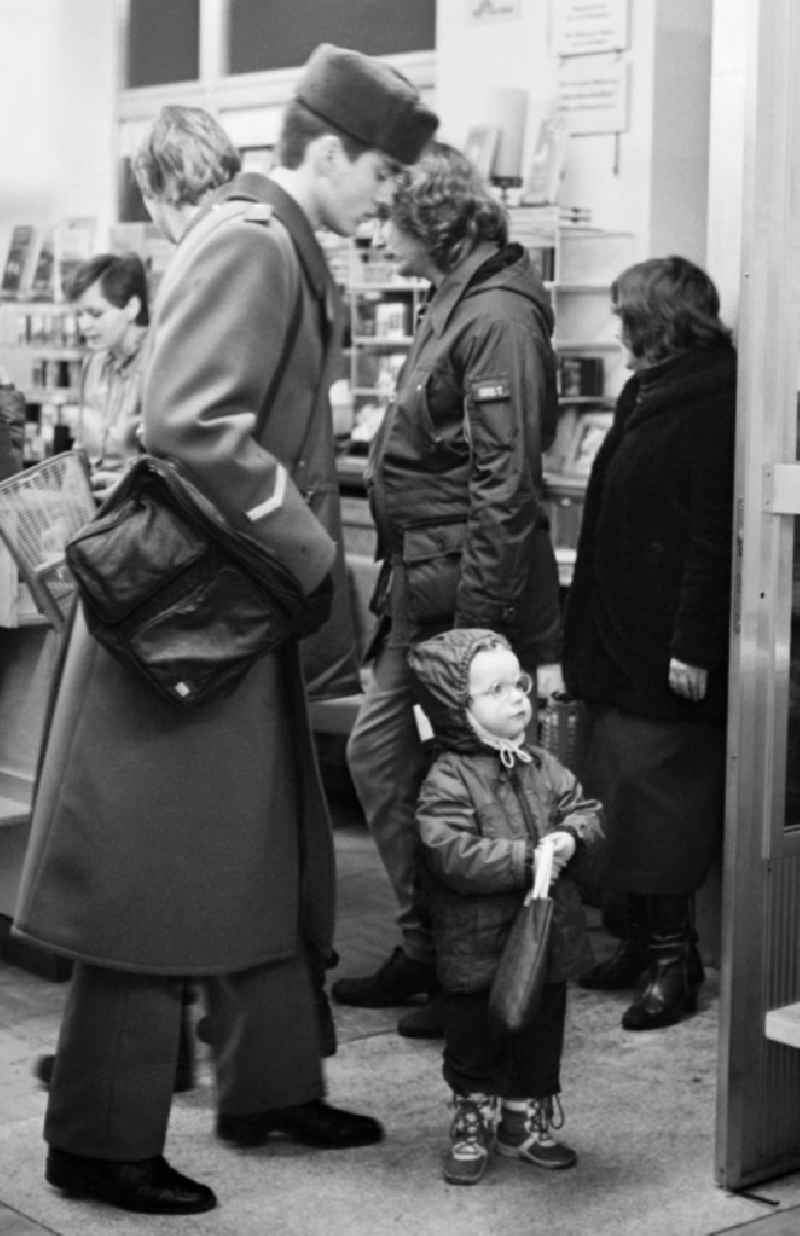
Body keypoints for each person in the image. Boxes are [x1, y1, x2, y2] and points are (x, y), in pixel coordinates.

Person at [12, 45, 437, 1218]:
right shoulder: (253, 244)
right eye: (382, 183)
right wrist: (315, 560)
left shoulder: (272, 240)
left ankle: (268, 1088)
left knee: (258, 861)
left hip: (223, 617)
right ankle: (95, 1141)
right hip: (184, 627)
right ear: (333, 153)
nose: (385, 206)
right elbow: (191, 422)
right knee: (148, 888)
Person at [333, 142, 563, 1038]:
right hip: (420, 587)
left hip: (459, 597)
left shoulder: (497, 316)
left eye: (387, 220)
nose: (375, 233)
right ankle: (429, 944)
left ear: (426, 224)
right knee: (385, 761)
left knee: (464, 788)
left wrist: (475, 634)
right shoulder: (452, 304)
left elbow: (508, 488)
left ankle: (473, 973)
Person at [562, 255, 736, 1031]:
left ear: (659, 322)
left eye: (626, 314)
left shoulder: (713, 400)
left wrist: (693, 645)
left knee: (662, 802)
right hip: (621, 638)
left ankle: (675, 959)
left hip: (667, 647)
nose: (616, 327)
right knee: (619, 794)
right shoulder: (646, 391)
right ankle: (640, 941)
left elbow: (710, 536)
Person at [407, 627, 603, 1185]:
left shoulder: (543, 763)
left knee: (541, 1037)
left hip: (547, 940)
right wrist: (524, 860)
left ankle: (526, 1122)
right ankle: (473, 1123)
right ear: (457, 708)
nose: (518, 697)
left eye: (519, 684)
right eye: (495, 691)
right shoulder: (448, 777)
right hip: (477, 946)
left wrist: (572, 836)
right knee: (476, 1040)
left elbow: (583, 807)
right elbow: (448, 851)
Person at [69, 252, 150, 501]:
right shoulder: (93, 364)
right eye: (78, 314)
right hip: (97, 511)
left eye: (95, 314)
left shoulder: (160, 365)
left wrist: (137, 485)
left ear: (132, 308)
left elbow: (179, 462)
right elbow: (81, 450)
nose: (83, 325)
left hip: (144, 512)